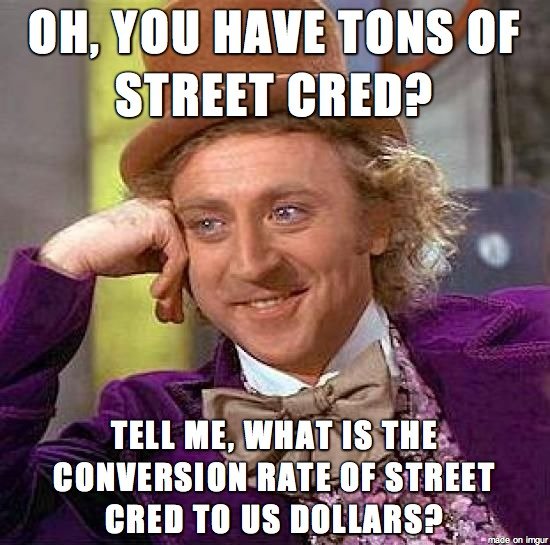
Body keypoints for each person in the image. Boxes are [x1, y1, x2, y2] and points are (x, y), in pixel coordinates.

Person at [1, 0, 549, 543]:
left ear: (376, 220)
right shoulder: (140, 444)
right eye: (209, 223)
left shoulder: (534, 344)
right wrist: (61, 265)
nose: (252, 263)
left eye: (287, 212)